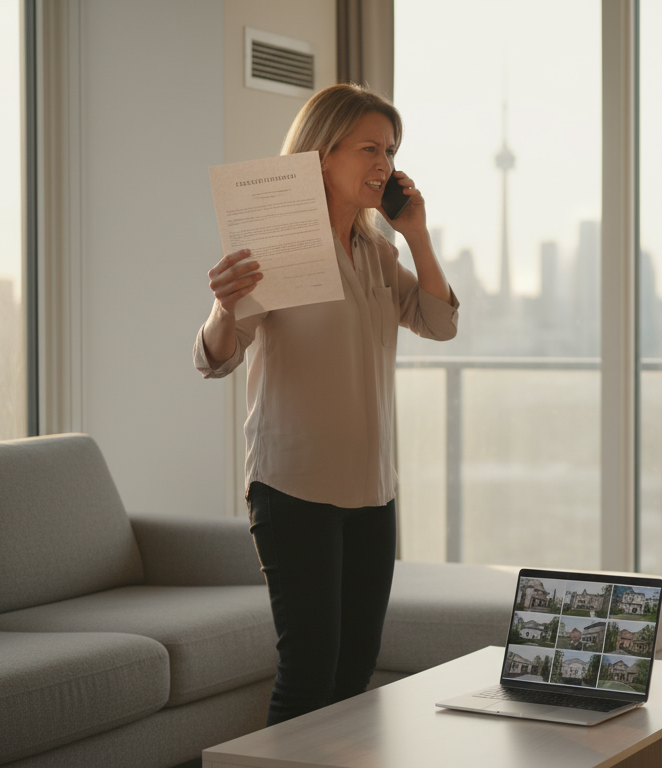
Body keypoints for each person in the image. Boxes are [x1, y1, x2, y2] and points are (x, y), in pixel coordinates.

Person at [192, 83, 458, 725]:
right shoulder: (276, 250)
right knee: (310, 675)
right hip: (294, 490)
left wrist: (416, 234)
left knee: (354, 675)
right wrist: (226, 304)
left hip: (373, 491)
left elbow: (439, 323)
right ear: (320, 155)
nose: (385, 165)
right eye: (369, 148)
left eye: (391, 151)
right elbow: (214, 358)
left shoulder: (377, 250)